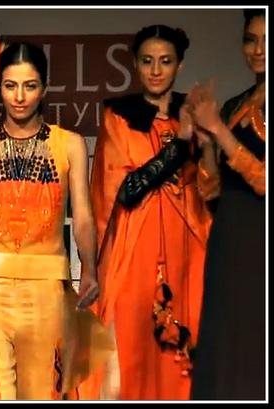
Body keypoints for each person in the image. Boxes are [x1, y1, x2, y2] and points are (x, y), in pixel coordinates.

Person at [0, 41, 111, 400]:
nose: (19, 97)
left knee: (44, 394)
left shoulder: (70, 145)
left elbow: (83, 217)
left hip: (47, 290)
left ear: (44, 88)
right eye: (10, 85)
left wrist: (90, 269)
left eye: (30, 86)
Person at [83, 25, 213, 400]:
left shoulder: (196, 116)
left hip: (188, 248)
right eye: (147, 61)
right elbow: (125, 190)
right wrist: (180, 145)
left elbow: (210, 189)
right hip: (134, 247)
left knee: (183, 358)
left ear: (180, 65)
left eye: (165, 61)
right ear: (135, 65)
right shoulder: (119, 116)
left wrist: (205, 141)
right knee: (129, 355)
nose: (156, 70)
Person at [190, 8, 266, 400]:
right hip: (229, 237)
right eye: (251, 40)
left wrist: (219, 129)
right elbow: (211, 192)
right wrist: (206, 144)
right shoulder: (236, 104)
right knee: (223, 343)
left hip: (260, 239)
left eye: (266, 40)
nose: (258, 49)